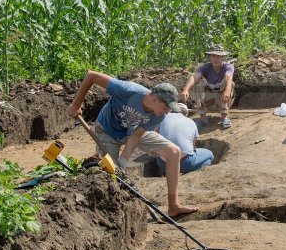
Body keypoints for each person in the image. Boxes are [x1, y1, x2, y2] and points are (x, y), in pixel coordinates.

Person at [67, 70, 198, 217]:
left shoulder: (158, 115)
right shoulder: (128, 90)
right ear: (155, 99)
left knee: (174, 152)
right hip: (107, 131)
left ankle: (174, 206)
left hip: (132, 131)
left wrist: (124, 159)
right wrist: (76, 104)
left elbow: (136, 135)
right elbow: (92, 75)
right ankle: (108, 214)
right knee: (108, 172)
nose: (167, 113)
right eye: (166, 108)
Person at [180, 44, 235, 129]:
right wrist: (186, 89)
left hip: (223, 100)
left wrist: (227, 90)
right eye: (213, 56)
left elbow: (229, 77)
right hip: (208, 101)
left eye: (218, 56)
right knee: (198, 83)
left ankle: (224, 118)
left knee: (229, 83)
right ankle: (203, 119)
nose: (216, 59)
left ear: (223, 57)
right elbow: (195, 78)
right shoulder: (205, 67)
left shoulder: (228, 67)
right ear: (210, 57)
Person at [155, 103, 214, 175]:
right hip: (184, 163)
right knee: (210, 155)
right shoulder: (191, 122)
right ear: (186, 113)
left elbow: (156, 134)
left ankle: (166, 172)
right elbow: (192, 146)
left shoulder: (163, 118)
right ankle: (188, 172)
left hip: (163, 164)